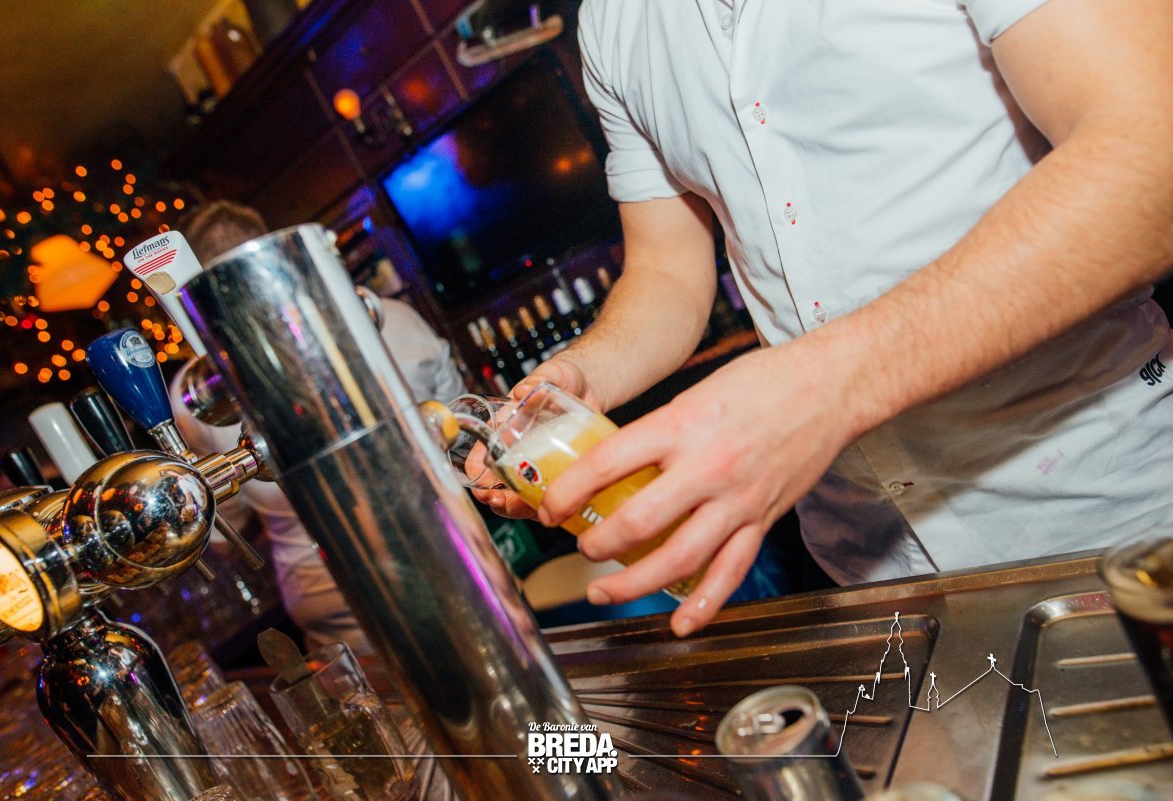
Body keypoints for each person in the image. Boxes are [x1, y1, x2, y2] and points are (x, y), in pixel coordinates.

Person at [476, 0, 1173, 638]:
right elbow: (667, 271)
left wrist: (825, 387)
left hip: (1104, 512)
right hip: (873, 572)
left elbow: (1152, 155)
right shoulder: (612, 21)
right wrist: (583, 375)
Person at [173, 200, 465, 653]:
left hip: (334, 605)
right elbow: (462, 427)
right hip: (454, 558)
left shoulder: (194, 391)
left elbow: (223, 526)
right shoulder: (394, 316)